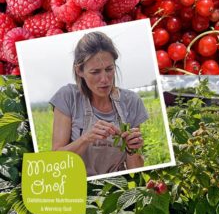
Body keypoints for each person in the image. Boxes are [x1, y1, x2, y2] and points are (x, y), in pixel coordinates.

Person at [50, 31, 149, 177]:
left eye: (109, 69)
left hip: (117, 186)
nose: (105, 79)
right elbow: (55, 159)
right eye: (95, 72)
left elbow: (135, 169)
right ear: (80, 71)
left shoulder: (131, 101)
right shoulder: (68, 97)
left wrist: (132, 148)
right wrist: (86, 139)